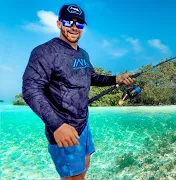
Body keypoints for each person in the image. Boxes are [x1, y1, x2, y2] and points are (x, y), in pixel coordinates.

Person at [22, 4, 135, 180]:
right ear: (59, 23)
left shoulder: (83, 54)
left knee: (85, 165)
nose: (74, 27)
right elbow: (30, 90)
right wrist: (57, 125)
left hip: (83, 124)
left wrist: (117, 79)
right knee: (73, 178)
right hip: (64, 128)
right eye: (69, 22)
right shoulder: (44, 52)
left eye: (79, 24)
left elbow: (91, 77)